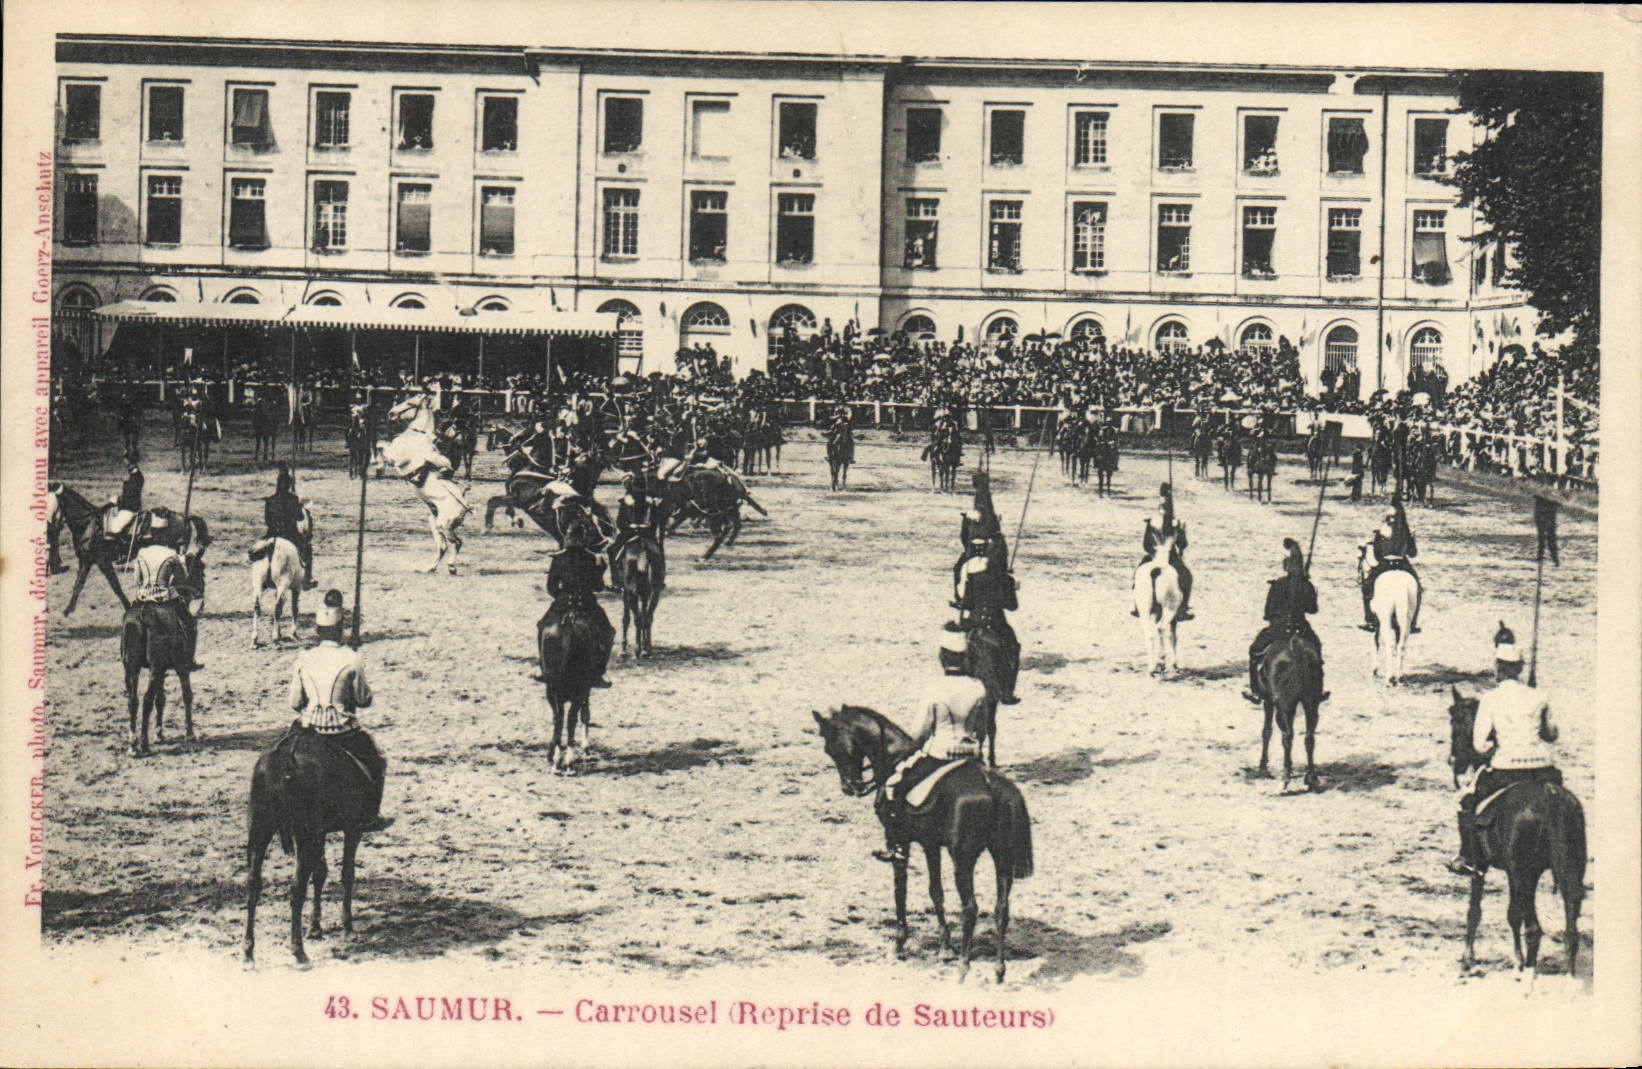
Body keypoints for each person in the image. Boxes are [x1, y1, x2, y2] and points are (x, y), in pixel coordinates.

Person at [872, 626, 991, 863]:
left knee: (895, 787)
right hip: (972, 756)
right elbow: (983, 727)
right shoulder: (978, 687)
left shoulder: (934, 688)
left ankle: (898, 846)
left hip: (941, 755)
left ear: (942, 657)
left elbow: (920, 733)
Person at [1448, 626, 1560, 877]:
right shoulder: (1539, 695)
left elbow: (1479, 745)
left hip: (1507, 767)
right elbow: (1551, 735)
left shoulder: (1490, 698)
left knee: (1467, 800)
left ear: (1498, 668)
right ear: (1520, 669)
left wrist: (1495, 747)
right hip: (1543, 767)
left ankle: (1470, 858)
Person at [287, 590, 391, 833]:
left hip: (309, 728)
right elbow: (364, 699)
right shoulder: (351, 658)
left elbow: (295, 702)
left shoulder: (304, 658)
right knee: (378, 760)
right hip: (342, 730)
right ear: (340, 630)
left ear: (318, 631)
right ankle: (370, 816)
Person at [1243, 538, 1327, 704]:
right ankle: (1317, 691)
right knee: (1316, 651)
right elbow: (1312, 610)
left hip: (1278, 629)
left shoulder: (1278, 584)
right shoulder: (1307, 585)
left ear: (1286, 567)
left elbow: (1268, 613)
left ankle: (1256, 691)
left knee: (1254, 651)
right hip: (1301, 628)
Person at [953, 528, 1021, 704]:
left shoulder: (968, 569)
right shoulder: (1003, 578)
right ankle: (1007, 693)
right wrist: (1011, 587)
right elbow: (1012, 606)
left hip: (974, 620)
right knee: (1012, 649)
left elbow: (965, 600)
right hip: (995, 622)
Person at [545, 526, 615, 688]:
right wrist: (600, 571)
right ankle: (599, 672)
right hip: (587, 604)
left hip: (563, 603)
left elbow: (551, 588)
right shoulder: (592, 559)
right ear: (584, 540)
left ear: (567, 539)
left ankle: (544, 668)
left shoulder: (558, 558)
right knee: (607, 631)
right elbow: (598, 587)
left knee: (542, 626)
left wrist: (562, 596)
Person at [132, 522, 203, 670]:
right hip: (164, 597)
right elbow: (182, 578)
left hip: (143, 597)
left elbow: (137, 580)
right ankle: (188, 661)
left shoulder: (141, 552)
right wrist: (182, 561)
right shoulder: (171, 554)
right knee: (190, 623)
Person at [1360, 499, 1421, 633]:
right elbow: (1412, 553)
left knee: (1367, 585)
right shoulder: (1405, 531)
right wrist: (1413, 539)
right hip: (1402, 564)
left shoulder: (1382, 532)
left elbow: (1377, 556)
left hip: (1385, 564)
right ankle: (1412, 622)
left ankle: (1370, 620)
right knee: (1417, 588)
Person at [249, 463, 315, 589]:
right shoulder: (293, 500)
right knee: (307, 550)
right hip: (291, 535)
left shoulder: (270, 500)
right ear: (289, 485)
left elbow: (267, 521)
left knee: (255, 551)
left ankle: (260, 578)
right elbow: (300, 518)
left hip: (272, 534)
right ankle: (307, 579)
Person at [1135, 483, 1194, 621]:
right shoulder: (1171, 522)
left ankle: (1137, 606)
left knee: (1138, 573)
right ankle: (1183, 607)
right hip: (1168, 557)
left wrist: (1153, 552)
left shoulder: (1155, 521)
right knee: (1186, 577)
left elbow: (1146, 545)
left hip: (1155, 556)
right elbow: (1182, 544)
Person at [608, 472, 666, 591]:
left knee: (612, 550)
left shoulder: (626, 501)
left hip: (630, 533)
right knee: (658, 553)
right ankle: (659, 581)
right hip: (647, 533)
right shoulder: (652, 501)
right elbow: (656, 520)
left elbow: (620, 522)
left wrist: (629, 528)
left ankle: (616, 581)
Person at [106, 450, 144, 540]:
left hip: (130, 509)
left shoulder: (136, 477)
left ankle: (121, 548)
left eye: (125, 460)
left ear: (129, 461)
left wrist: (117, 499)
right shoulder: (134, 476)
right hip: (127, 507)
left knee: (115, 526)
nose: (125, 463)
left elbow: (130, 496)